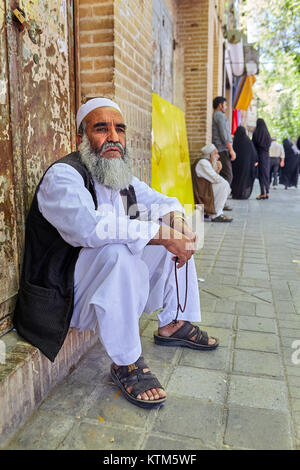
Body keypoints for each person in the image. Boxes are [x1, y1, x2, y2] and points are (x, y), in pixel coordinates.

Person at [13, 97, 219, 410]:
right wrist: (161, 234)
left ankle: (173, 323)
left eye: (119, 129)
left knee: (172, 238)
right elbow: (90, 228)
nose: (113, 137)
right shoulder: (64, 176)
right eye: (101, 129)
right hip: (63, 296)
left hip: (97, 284)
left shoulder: (119, 177)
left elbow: (161, 202)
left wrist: (176, 224)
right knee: (121, 251)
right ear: (80, 138)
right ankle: (127, 362)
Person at [192, 143, 232, 222]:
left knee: (224, 185)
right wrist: (217, 170)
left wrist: (217, 170)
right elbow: (216, 179)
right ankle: (216, 215)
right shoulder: (203, 163)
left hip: (204, 190)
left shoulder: (205, 162)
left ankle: (216, 211)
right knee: (224, 185)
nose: (218, 156)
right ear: (211, 155)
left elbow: (213, 178)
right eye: (216, 153)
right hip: (200, 193)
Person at [212, 96, 236, 189]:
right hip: (222, 150)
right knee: (228, 176)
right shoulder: (219, 115)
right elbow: (224, 134)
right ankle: (220, 200)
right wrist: (231, 150)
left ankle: (220, 200)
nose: (226, 107)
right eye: (225, 105)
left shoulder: (216, 115)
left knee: (222, 175)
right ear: (220, 105)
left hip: (219, 149)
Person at [231, 126, 258, 199]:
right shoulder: (248, 141)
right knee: (244, 179)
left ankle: (235, 193)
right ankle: (243, 194)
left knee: (236, 179)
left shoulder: (236, 140)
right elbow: (254, 153)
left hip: (236, 165)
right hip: (247, 165)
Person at [252, 118, 272, 200]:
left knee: (261, 175)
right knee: (266, 174)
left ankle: (262, 193)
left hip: (259, 156)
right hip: (266, 156)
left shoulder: (256, 133)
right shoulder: (267, 134)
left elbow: (253, 145)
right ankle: (267, 192)